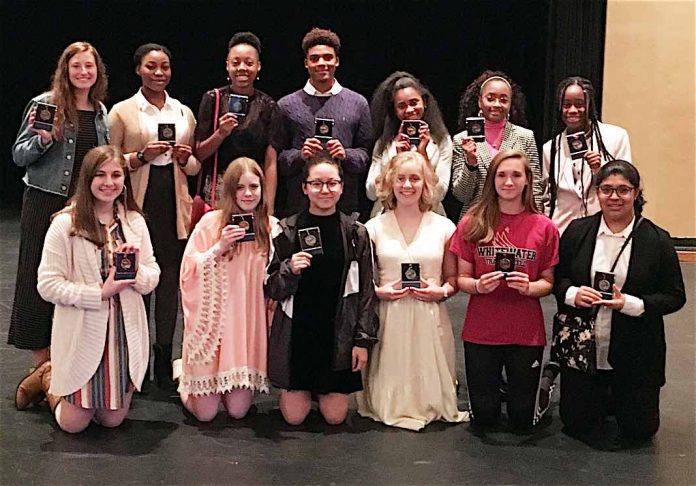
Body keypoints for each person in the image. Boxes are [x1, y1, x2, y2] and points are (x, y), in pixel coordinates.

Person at [14, 145, 160, 433]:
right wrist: (100, 292)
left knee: (112, 421)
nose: (109, 182)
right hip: (84, 331)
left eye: (117, 175)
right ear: (87, 179)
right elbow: (47, 284)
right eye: (101, 175)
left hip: (122, 335)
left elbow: (153, 272)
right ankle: (48, 374)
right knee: (73, 425)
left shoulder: (135, 222)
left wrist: (135, 276)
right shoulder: (65, 224)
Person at [553, 160, 685, 449]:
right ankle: (600, 396)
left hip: (636, 350)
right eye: (607, 189)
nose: (614, 197)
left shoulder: (657, 240)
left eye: (623, 190)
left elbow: (675, 296)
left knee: (640, 431)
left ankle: (618, 398)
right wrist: (573, 294)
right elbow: (558, 278)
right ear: (596, 193)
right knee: (576, 424)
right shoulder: (577, 231)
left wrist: (631, 304)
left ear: (636, 194)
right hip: (585, 346)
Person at [8, 41, 109, 369]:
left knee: (78, 278)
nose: (83, 72)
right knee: (37, 278)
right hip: (44, 201)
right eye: (76, 66)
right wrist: (44, 138)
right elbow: (19, 155)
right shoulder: (45, 103)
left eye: (89, 66)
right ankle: (42, 367)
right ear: (65, 70)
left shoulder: (100, 111)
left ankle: (70, 358)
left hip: (83, 207)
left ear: (97, 72)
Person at [108, 43, 200, 389]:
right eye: (151, 67)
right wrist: (139, 157)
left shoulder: (183, 112)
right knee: (138, 279)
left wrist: (183, 157)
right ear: (138, 70)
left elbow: (194, 167)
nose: (159, 73)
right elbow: (107, 163)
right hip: (136, 203)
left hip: (174, 204)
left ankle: (164, 357)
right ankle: (137, 356)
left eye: (164, 66)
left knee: (169, 282)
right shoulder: (122, 112)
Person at [356, 151, 468, 431]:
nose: (407, 185)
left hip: (430, 316)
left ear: (426, 184)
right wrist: (380, 292)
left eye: (414, 179)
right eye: (401, 179)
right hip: (389, 317)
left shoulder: (444, 227)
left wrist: (440, 291)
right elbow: (362, 281)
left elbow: (453, 279)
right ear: (390, 183)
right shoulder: (372, 228)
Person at [450, 149, 559, 432]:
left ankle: (544, 381)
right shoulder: (472, 223)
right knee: (484, 418)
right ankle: (491, 388)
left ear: (527, 180)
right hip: (481, 331)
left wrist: (529, 287)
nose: (508, 182)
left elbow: (547, 282)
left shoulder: (544, 227)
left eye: (515, 175)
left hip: (525, 333)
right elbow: (462, 278)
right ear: (492, 180)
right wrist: (478, 285)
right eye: (501, 175)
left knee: (523, 420)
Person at [265, 154, 378, 425]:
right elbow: (272, 289)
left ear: (341, 187)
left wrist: (361, 341)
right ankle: (303, 391)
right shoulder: (286, 230)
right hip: (299, 333)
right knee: (294, 418)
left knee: (336, 417)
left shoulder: (356, 233)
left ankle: (325, 392)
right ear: (304, 187)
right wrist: (289, 269)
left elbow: (365, 292)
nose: (324, 190)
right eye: (316, 184)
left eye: (331, 183)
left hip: (338, 333)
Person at [178, 157, 276, 421]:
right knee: (206, 416)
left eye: (253, 187)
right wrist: (218, 247)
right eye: (240, 187)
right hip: (216, 327)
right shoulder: (211, 222)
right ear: (230, 191)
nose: (247, 193)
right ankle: (184, 376)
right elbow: (188, 271)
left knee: (237, 411)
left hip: (245, 327)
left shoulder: (271, 227)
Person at [271, 27, 373, 219]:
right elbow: (278, 160)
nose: (322, 63)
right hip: (298, 209)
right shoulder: (286, 105)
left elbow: (366, 155)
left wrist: (347, 154)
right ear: (306, 63)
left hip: (346, 210)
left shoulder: (358, 103)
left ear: (337, 61)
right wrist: (299, 155)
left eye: (328, 57)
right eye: (315, 58)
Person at [195, 32, 279, 212]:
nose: (242, 68)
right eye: (236, 63)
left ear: (258, 66)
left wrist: (269, 207)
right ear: (227, 66)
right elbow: (199, 154)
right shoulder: (213, 98)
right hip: (219, 188)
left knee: (252, 239)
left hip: (254, 188)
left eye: (249, 63)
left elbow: (270, 160)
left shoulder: (268, 105)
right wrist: (221, 133)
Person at [542, 76, 632, 235]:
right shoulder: (550, 148)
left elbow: (625, 186)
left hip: (603, 230)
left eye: (579, 104)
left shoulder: (615, 137)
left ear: (589, 106)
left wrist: (600, 170)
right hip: (563, 231)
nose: (572, 110)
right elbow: (546, 198)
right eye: (566, 105)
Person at [451, 70, 542, 220]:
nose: (496, 104)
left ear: (511, 102)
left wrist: (537, 222)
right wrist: (471, 164)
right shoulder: (463, 140)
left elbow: (535, 186)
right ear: (480, 101)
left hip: (517, 220)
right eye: (490, 98)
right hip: (477, 222)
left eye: (503, 99)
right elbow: (462, 195)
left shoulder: (525, 136)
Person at [365, 71, 452, 217]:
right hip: (388, 217)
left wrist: (424, 157)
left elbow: (440, 193)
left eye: (414, 102)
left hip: (429, 217)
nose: (410, 110)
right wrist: (395, 160)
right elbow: (371, 192)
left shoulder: (442, 140)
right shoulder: (384, 143)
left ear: (424, 102)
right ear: (395, 110)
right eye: (402, 106)